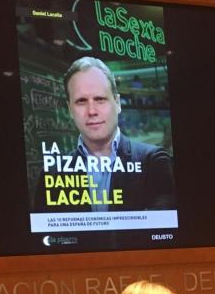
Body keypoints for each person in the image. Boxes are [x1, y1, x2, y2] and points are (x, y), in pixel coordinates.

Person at [36, 56, 176, 212]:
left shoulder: (154, 162)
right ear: (69, 109)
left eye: (100, 99)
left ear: (117, 103)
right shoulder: (52, 174)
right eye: (81, 101)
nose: (91, 111)